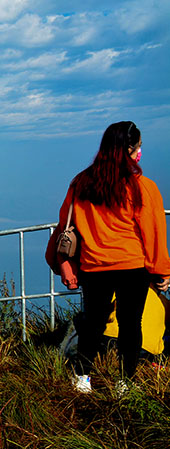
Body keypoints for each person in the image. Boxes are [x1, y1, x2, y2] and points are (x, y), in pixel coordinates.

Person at [56, 121, 170, 394]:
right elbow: (153, 233)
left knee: (92, 323)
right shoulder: (143, 187)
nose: (140, 152)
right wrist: (161, 271)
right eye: (139, 146)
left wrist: (63, 264)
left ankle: (83, 379)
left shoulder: (81, 183)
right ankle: (124, 383)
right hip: (132, 266)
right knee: (132, 325)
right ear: (130, 149)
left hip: (93, 265)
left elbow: (65, 225)